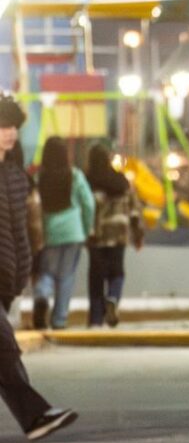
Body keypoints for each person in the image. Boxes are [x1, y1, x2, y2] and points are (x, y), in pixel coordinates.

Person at [0, 96, 77, 440]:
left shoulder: (14, 177)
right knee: (4, 347)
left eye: (13, 126)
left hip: (5, 278)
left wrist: (21, 271)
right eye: (3, 126)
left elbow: (23, 229)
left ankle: (35, 417)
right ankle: (35, 416)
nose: (10, 133)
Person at [34, 136, 94, 330]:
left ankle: (42, 294)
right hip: (73, 232)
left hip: (50, 232)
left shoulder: (39, 178)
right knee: (66, 275)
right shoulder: (74, 175)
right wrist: (87, 228)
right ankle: (59, 319)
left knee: (47, 272)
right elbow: (88, 203)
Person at [85, 144, 144, 328]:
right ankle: (113, 297)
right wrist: (138, 234)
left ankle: (96, 318)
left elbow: (85, 207)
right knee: (117, 271)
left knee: (96, 276)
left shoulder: (88, 181)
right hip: (119, 231)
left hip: (97, 234)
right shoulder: (121, 181)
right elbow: (134, 210)